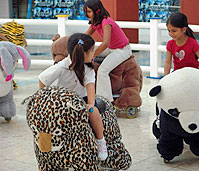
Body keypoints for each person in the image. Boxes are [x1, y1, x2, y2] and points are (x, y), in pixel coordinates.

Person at [38, 33, 108, 161]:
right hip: (64, 101)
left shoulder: (88, 68)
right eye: (92, 50)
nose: (94, 53)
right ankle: (49, 146)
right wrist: (47, 98)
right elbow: (43, 79)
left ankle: (100, 140)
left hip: (83, 99)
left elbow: (90, 86)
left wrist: (91, 104)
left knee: (94, 112)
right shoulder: (61, 66)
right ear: (83, 53)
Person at [84, 0, 132, 102]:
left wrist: (92, 55)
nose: (87, 14)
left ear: (96, 11)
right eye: (86, 12)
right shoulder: (95, 23)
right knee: (85, 56)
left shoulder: (106, 22)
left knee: (103, 71)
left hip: (122, 50)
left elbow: (105, 43)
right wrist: (77, 43)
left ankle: (106, 101)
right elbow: (85, 37)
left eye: (89, 12)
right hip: (111, 49)